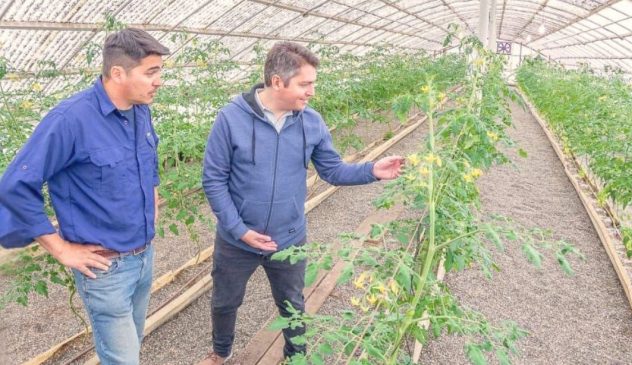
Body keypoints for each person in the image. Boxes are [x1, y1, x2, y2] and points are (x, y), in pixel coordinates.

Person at [200, 41, 405, 365]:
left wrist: (372, 170)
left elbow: (333, 170)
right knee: (225, 301)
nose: (311, 92)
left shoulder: (311, 122)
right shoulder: (230, 119)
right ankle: (221, 352)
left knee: (292, 303)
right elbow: (213, 180)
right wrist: (239, 230)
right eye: (305, 84)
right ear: (278, 81)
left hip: (289, 238)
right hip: (236, 241)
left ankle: (296, 357)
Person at [0, 28, 169, 364]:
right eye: (151, 72)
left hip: (143, 257)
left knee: (132, 345)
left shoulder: (140, 110)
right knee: (122, 359)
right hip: (105, 267)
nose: (159, 81)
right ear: (118, 73)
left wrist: (152, 203)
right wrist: (60, 249)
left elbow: (147, 165)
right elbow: (15, 185)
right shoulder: (70, 119)